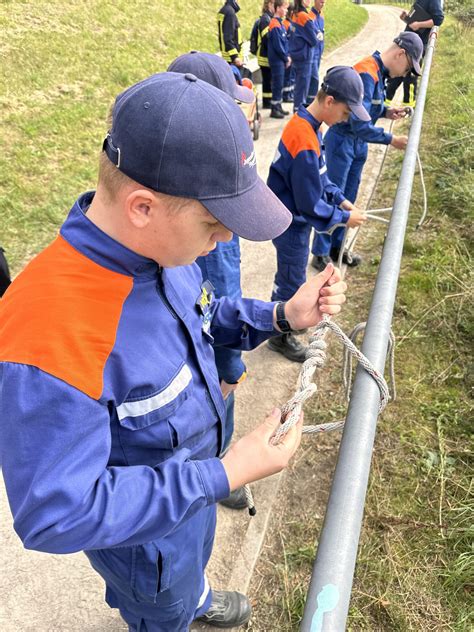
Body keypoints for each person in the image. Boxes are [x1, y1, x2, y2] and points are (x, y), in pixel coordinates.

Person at [0, 72, 348, 631]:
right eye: (215, 223)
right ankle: (172, 611)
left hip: (191, 505)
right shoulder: (50, 334)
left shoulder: (161, 254)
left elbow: (204, 319)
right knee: (162, 609)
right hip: (148, 549)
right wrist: (221, 474)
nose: (228, 239)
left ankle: (195, 593)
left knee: (189, 574)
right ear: (142, 206)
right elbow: (55, 512)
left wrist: (282, 315)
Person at [167, 50, 255, 511]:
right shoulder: (207, 211)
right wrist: (229, 365)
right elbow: (218, 290)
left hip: (207, 333)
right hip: (211, 350)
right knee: (212, 415)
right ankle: (220, 473)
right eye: (231, 106)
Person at [266, 66, 368, 362]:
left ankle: (280, 322)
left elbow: (320, 177)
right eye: (346, 113)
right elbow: (310, 204)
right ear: (329, 102)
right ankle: (280, 335)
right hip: (290, 223)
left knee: (290, 273)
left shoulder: (308, 125)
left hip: (293, 218)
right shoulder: (305, 138)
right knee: (291, 279)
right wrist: (344, 219)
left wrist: (340, 199)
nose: (344, 120)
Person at [311, 32, 423, 271]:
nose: (405, 75)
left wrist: (386, 112)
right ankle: (320, 252)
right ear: (400, 54)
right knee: (334, 196)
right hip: (343, 141)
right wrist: (391, 139)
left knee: (349, 197)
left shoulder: (377, 73)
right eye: (407, 67)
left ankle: (337, 247)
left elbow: (368, 107)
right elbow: (359, 124)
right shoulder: (366, 72)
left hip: (357, 144)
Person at [385, 0, 444, 107]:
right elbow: (416, 20)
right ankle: (385, 102)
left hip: (418, 45)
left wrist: (419, 24)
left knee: (410, 78)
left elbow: (438, 19)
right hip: (408, 41)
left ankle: (408, 107)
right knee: (396, 72)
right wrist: (406, 18)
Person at [288, 0, 317, 111]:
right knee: (303, 87)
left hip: (296, 54)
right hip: (305, 57)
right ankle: (299, 113)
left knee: (298, 87)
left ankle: (296, 109)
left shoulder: (295, 14)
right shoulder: (305, 17)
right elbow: (314, 40)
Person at [268, 0, 292, 119]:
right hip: (277, 60)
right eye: (285, 8)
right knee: (277, 84)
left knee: (280, 84)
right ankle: (274, 108)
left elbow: (284, 42)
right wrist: (285, 57)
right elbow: (278, 45)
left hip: (280, 60)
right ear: (278, 9)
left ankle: (278, 106)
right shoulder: (275, 24)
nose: (286, 11)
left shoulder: (279, 23)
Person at [255, 0, 275, 109]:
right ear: (268, 5)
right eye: (273, 4)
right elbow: (267, 38)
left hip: (267, 56)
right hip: (264, 57)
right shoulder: (265, 19)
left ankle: (269, 101)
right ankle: (267, 102)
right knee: (267, 81)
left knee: (269, 80)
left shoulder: (269, 18)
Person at [307, 0, 325, 103]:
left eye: (324, 2)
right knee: (314, 78)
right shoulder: (310, 16)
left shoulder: (321, 16)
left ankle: (311, 100)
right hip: (312, 53)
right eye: (321, 2)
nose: (322, 4)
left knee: (314, 77)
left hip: (318, 53)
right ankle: (311, 101)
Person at [218, 0, 243, 69]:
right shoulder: (230, 13)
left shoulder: (224, 10)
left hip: (227, 57)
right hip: (232, 60)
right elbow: (228, 38)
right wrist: (235, 57)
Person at [282, 3, 296, 103]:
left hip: (292, 54)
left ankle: (290, 93)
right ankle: (287, 95)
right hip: (289, 54)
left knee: (291, 76)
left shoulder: (290, 24)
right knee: (288, 76)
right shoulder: (286, 24)